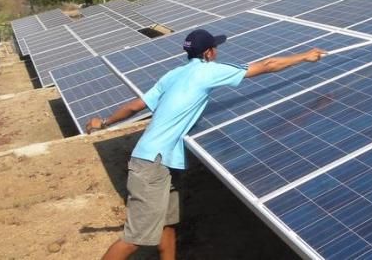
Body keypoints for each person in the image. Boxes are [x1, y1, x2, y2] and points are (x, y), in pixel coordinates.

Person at [85, 29, 325, 260]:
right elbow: (267, 65)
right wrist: (304, 56)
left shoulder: (173, 74)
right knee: (135, 238)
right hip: (152, 165)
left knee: (167, 226)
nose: (217, 52)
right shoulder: (207, 72)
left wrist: (104, 121)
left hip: (160, 161)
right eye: (215, 48)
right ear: (209, 53)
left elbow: (135, 106)